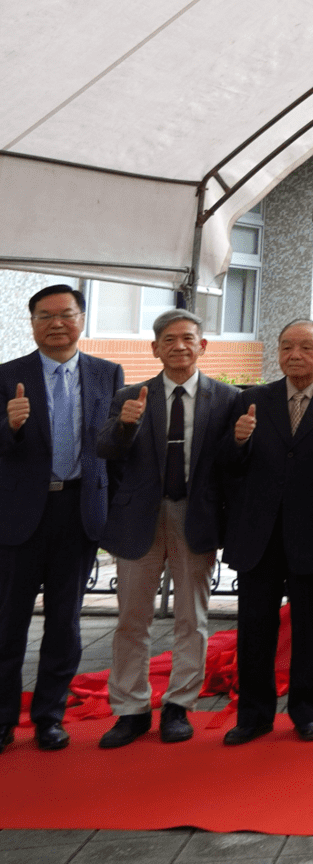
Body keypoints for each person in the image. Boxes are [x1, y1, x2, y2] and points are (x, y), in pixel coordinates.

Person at [92, 309, 240, 748]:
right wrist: (125, 425)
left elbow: (232, 465)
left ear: (202, 345)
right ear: (155, 348)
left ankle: (179, 705)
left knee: (191, 619)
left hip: (195, 516)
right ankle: (130, 709)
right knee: (131, 619)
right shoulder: (130, 395)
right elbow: (104, 448)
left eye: (188, 338)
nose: (179, 346)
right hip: (140, 516)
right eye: (169, 340)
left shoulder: (227, 398)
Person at [216, 320, 313, 745]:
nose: (294, 354)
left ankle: (307, 713)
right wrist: (239, 442)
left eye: (304, 347)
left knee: (312, 628)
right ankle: (254, 715)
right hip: (258, 535)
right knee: (255, 628)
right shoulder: (251, 401)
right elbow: (226, 465)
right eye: (286, 347)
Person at [0, 285, 124, 752]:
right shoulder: (6, 376)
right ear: (32, 323)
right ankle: (2, 719)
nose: (56, 324)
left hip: (78, 512)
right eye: (45, 316)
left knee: (65, 623)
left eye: (66, 314)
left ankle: (49, 717)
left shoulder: (107, 373)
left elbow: (112, 449)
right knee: (7, 623)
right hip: (19, 516)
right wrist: (10, 426)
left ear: (82, 318)